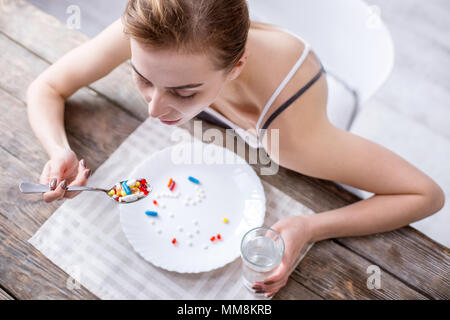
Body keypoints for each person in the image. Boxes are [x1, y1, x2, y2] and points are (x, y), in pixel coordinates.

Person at [26, 0, 445, 297]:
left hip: (297, 93)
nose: (154, 109)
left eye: (184, 92)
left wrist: (310, 227)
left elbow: (425, 195)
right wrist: (58, 149)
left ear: (236, 66)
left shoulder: (294, 137)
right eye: (142, 78)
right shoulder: (152, 33)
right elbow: (47, 86)